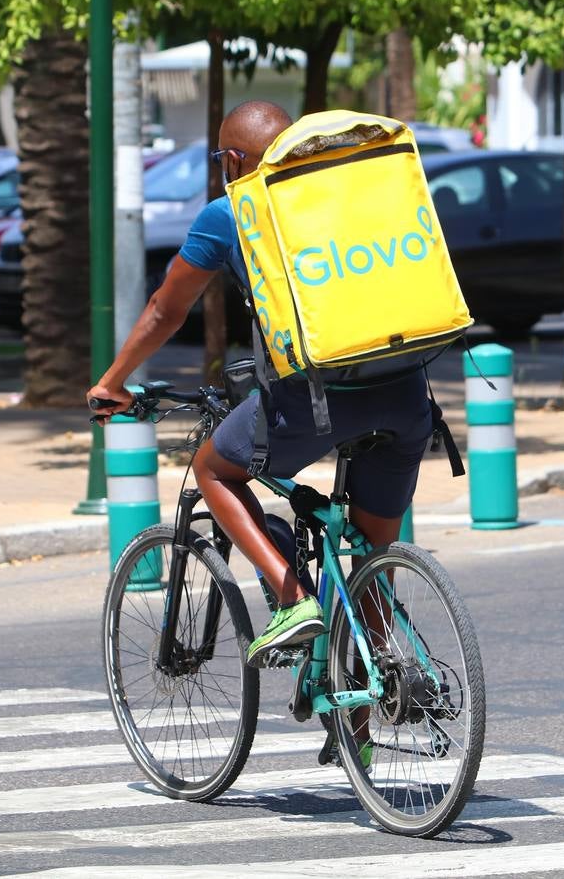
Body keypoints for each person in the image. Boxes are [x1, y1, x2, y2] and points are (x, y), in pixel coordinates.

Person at [86, 100, 433, 670]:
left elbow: (163, 311)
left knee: (212, 467)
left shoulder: (231, 215)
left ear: (235, 161)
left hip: (316, 403)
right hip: (406, 394)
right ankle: (379, 702)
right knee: (372, 566)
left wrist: (114, 382)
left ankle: (292, 599)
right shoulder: (352, 197)